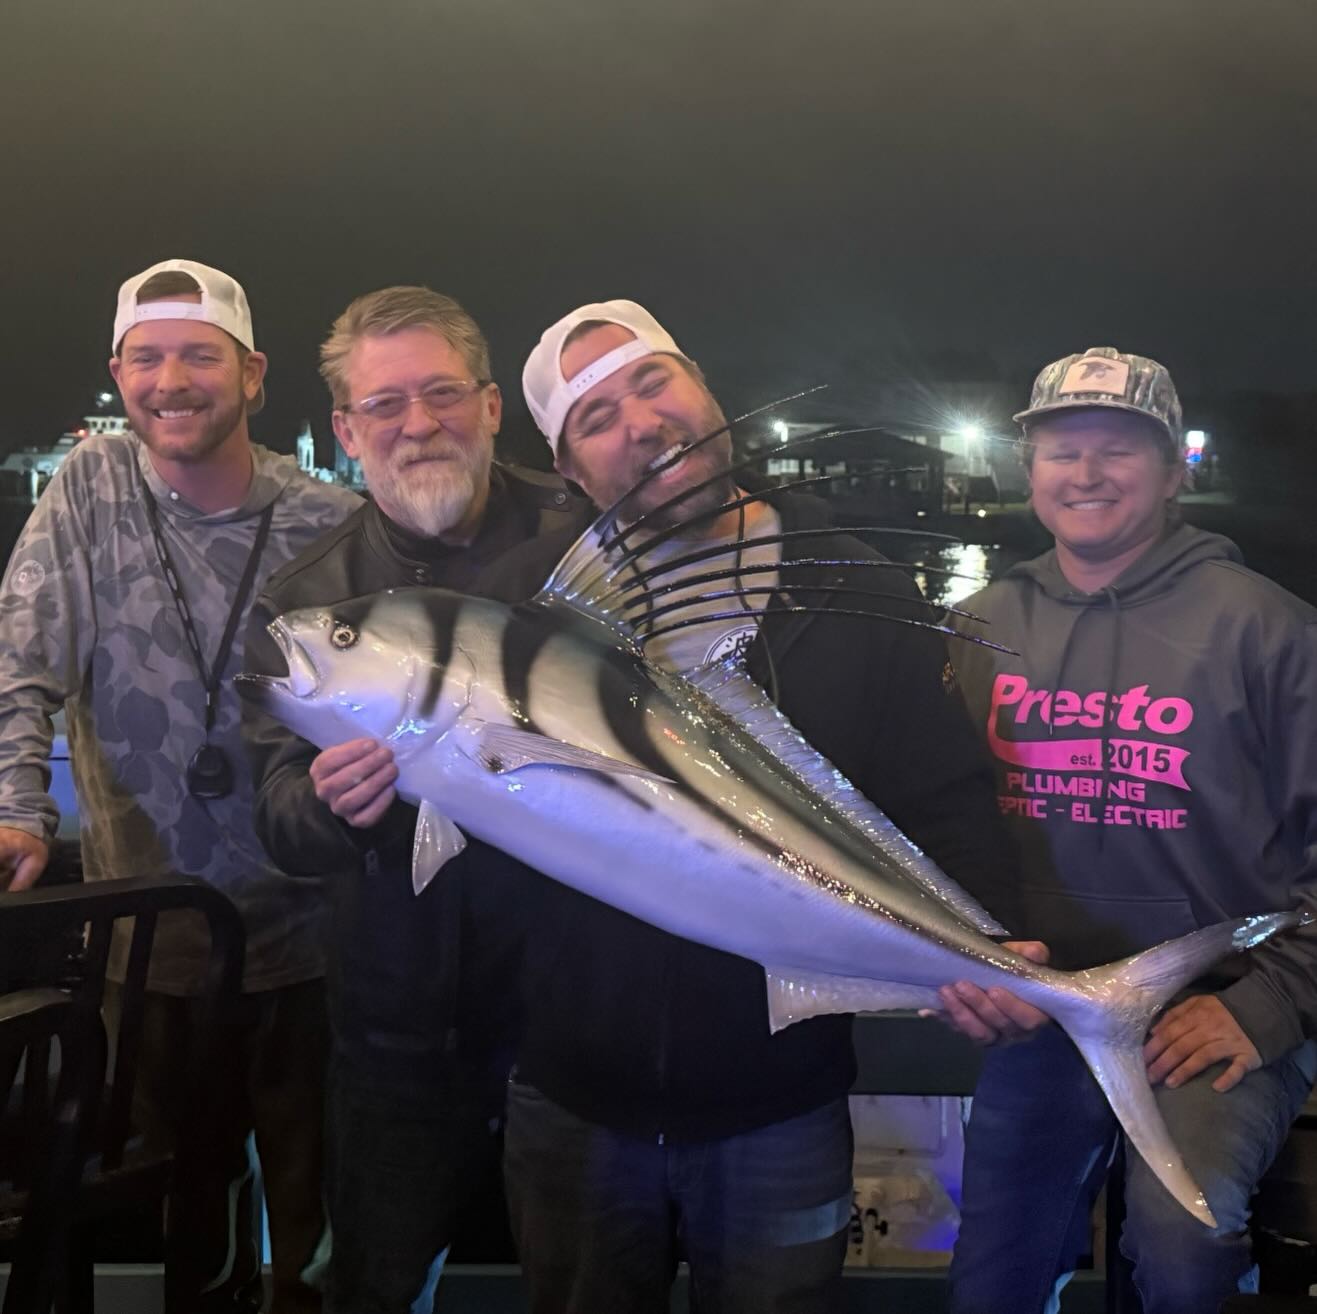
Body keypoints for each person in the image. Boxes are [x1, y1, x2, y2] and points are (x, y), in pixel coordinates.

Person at [473, 298, 1018, 1314]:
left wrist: (986, 940)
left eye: (654, 383)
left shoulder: (853, 583)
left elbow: (941, 797)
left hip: (783, 1103)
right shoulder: (523, 617)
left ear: (704, 393)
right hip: (573, 1103)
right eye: (596, 419)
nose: (640, 422)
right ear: (572, 470)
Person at [0, 259, 362, 1311]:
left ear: (252, 375)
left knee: (320, 1230)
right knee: (184, 1215)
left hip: (315, 944)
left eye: (198, 355)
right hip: (150, 943)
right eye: (146, 358)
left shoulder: (329, 521)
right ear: (118, 372)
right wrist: (19, 809)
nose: (171, 380)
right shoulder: (92, 487)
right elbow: (20, 663)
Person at [942, 346, 1317, 1314]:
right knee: (990, 1271)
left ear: (1173, 469)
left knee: (1184, 1243)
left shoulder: (1271, 631)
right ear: (1029, 472)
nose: (1088, 473)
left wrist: (1267, 1007)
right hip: (1045, 1006)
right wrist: (964, 962)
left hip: (1212, 1014)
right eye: (1064, 450)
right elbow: (930, 828)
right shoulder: (975, 629)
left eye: (1119, 449)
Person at [242, 285, 583, 1314]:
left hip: (579, 1022)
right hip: (397, 1033)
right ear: (346, 431)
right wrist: (328, 805)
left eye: (442, 395)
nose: (418, 424)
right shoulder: (308, 601)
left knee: (592, 1290)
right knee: (378, 1288)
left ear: (490, 407)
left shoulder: (583, 545)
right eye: (385, 406)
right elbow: (276, 814)